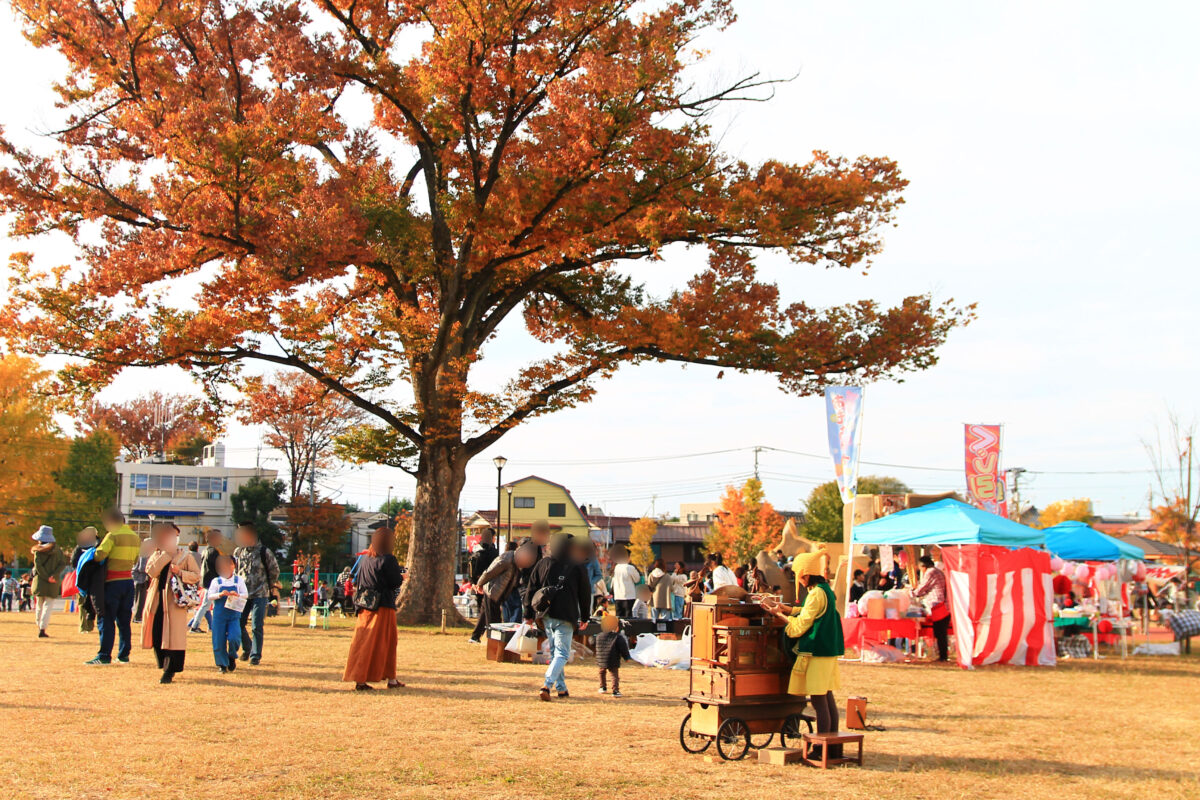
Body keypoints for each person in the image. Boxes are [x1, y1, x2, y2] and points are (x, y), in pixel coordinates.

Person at [763, 551, 845, 758]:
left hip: (818, 651)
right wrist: (786, 609)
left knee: (818, 701)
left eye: (799, 574)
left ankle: (821, 747)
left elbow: (803, 623)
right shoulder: (824, 590)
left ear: (806, 575)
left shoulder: (817, 593)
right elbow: (806, 611)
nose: (797, 578)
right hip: (828, 652)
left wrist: (778, 614)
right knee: (827, 697)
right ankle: (833, 747)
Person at [523, 534, 590, 702]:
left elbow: (531, 589)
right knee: (562, 654)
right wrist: (586, 616)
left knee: (555, 653)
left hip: (546, 615)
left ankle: (562, 689)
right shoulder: (577, 566)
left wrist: (528, 614)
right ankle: (547, 684)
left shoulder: (543, 563)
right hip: (566, 615)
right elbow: (585, 593)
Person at [343, 527, 406, 690]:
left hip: (365, 605)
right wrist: (402, 577)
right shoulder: (388, 560)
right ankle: (389, 678)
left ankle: (362, 678)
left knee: (364, 641)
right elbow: (394, 582)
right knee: (387, 642)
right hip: (383, 606)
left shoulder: (365, 559)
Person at [141, 522, 201, 683]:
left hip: (174, 601)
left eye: (174, 536)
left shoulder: (185, 556)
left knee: (174, 637)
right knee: (157, 632)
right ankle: (162, 663)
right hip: (156, 600)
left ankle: (170, 670)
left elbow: (196, 575)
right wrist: (166, 555)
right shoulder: (157, 554)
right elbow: (152, 572)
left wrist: (180, 572)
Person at [86, 509, 141, 664]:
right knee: (124, 621)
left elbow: (100, 555)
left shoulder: (113, 535)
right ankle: (123, 655)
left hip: (112, 582)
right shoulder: (135, 537)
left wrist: (92, 554)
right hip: (128, 582)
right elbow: (136, 560)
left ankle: (104, 655)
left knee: (106, 619)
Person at [469, 544, 537, 644]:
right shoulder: (506, 558)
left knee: (484, 615)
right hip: (492, 592)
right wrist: (479, 584)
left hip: (501, 593)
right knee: (494, 621)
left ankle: (475, 637)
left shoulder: (517, 563)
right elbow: (489, 572)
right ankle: (495, 643)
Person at [233, 523, 279, 665]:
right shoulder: (238, 552)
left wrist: (270, 585)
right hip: (242, 594)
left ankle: (255, 655)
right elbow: (234, 570)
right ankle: (247, 647)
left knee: (256, 625)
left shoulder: (264, 552)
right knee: (238, 623)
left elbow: (274, 570)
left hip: (260, 593)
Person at [205, 555, 247, 673]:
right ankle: (222, 665)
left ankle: (232, 656)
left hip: (233, 614)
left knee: (234, 637)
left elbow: (246, 594)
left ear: (234, 566)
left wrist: (237, 595)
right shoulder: (216, 581)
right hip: (219, 614)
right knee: (219, 640)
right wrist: (220, 594)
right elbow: (209, 595)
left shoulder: (239, 580)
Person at [30, 526, 66, 639]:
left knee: (39, 605)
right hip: (53, 582)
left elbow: (38, 567)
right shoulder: (58, 550)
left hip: (40, 581)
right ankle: (43, 628)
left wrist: (46, 577)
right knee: (48, 606)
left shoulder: (38, 551)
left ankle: (38, 624)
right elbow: (62, 564)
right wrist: (54, 575)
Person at [913, 555, 950, 662]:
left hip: (938, 606)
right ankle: (943, 655)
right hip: (943, 606)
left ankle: (943, 656)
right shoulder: (938, 572)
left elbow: (922, 588)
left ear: (923, 566)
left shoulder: (930, 572)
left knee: (940, 632)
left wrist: (910, 593)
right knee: (941, 632)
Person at [192, 529, 225, 632]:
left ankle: (212, 626)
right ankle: (194, 626)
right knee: (206, 605)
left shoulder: (205, 550)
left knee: (208, 605)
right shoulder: (214, 552)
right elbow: (218, 568)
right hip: (212, 582)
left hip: (206, 581)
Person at [72, 526, 103, 634]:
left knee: (84, 603)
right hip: (93, 578)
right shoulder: (99, 545)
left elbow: (73, 561)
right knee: (90, 602)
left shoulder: (81, 546)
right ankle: (87, 626)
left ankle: (85, 626)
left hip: (85, 578)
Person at [595, 612, 631, 697]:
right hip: (613, 659)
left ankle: (602, 687)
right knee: (614, 675)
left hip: (601, 659)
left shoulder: (599, 636)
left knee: (602, 672)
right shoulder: (617, 637)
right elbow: (623, 648)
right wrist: (627, 657)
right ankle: (615, 691)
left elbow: (594, 644)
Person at [610, 551, 640, 618]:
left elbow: (613, 580)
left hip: (618, 596)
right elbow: (637, 579)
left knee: (619, 618)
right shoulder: (630, 567)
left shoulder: (616, 567)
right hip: (629, 596)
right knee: (629, 618)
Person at [132, 537, 153, 624]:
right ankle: (138, 617)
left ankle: (137, 616)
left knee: (140, 598)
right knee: (140, 598)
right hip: (140, 578)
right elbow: (142, 568)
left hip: (139, 577)